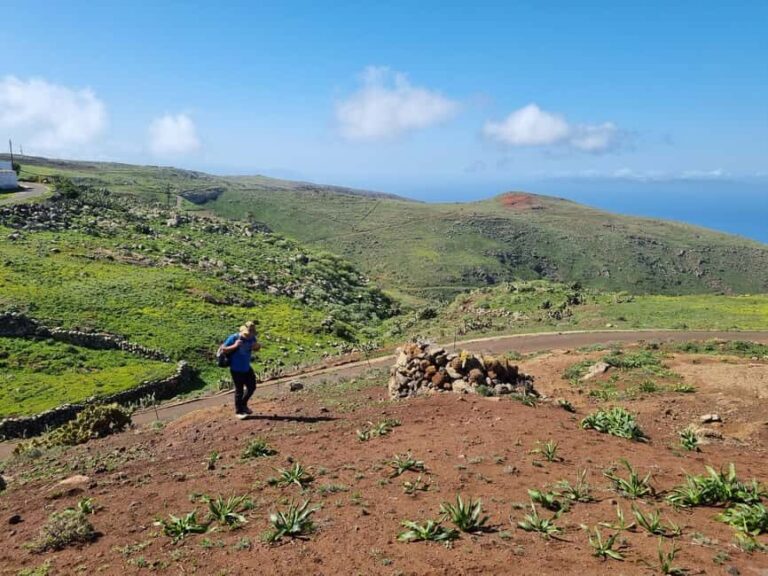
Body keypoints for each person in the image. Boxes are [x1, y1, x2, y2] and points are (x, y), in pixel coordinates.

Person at [221, 322, 261, 419]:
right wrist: (235, 345)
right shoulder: (234, 338)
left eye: (251, 333)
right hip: (236, 368)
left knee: (252, 387)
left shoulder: (252, 339)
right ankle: (239, 411)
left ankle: (243, 404)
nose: (249, 335)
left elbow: (255, 349)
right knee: (239, 390)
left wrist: (257, 346)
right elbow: (223, 349)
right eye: (247, 334)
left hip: (246, 367)